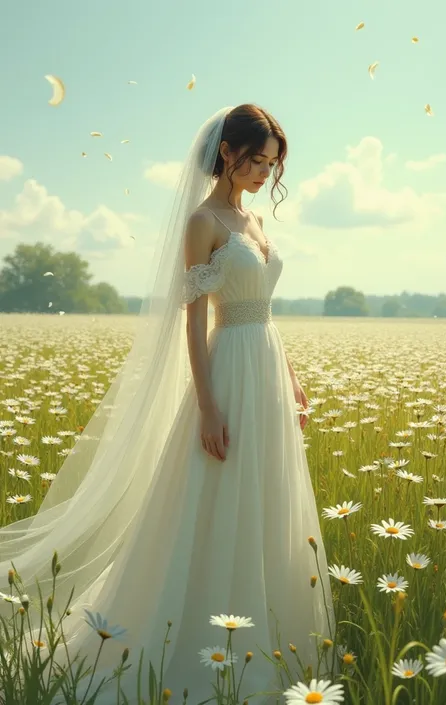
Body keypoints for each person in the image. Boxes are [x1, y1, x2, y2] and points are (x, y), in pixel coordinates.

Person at [0, 104, 335, 703]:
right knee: (215, 493)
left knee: (267, 493)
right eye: (256, 160)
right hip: (227, 369)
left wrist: (292, 377)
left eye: (273, 164)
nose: (264, 173)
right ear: (227, 152)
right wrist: (207, 407)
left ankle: (268, 639)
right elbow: (194, 321)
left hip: (266, 363)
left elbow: (263, 309)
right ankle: (192, 636)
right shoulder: (203, 221)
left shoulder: (255, 221)